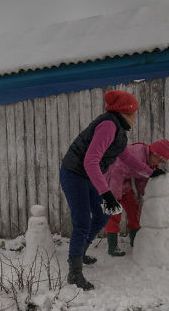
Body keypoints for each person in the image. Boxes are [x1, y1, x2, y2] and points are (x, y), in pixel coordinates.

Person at [59, 90, 155, 290]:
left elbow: (126, 157)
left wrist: (150, 173)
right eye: (135, 111)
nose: (136, 116)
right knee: (82, 222)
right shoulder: (108, 126)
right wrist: (107, 193)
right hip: (74, 173)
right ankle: (74, 273)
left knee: (102, 216)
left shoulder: (118, 131)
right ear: (126, 111)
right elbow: (90, 161)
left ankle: (81, 250)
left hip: (87, 174)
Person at [103, 139, 169, 256]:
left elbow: (141, 180)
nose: (160, 163)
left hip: (124, 182)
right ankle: (113, 247)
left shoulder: (148, 162)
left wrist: (150, 196)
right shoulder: (136, 154)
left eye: (162, 161)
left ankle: (135, 242)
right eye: (159, 159)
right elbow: (116, 171)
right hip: (109, 180)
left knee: (134, 209)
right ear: (153, 152)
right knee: (114, 214)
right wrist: (115, 197)